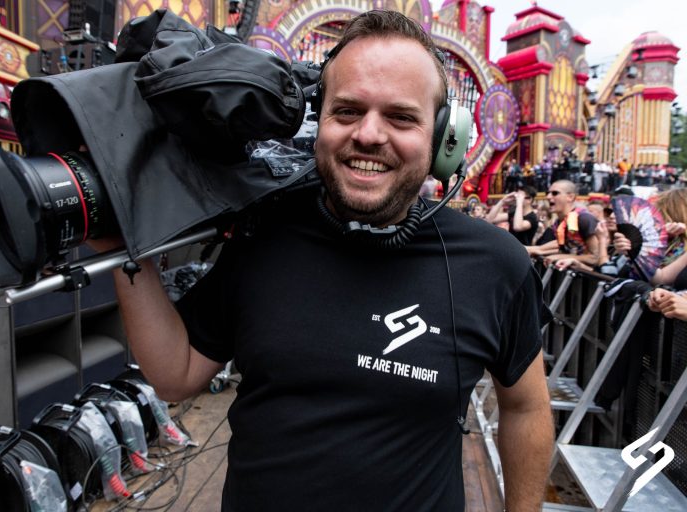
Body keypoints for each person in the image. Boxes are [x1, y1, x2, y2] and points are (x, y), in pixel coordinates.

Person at [92, 11, 552, 511]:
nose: (368, 134)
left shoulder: (495, 264)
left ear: (444, 140)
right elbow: (175, 376)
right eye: (347, 111)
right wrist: (123, 250)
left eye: (400, 117)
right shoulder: (262, 234)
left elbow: (525, 407)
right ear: (319, 122)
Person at [526, 180, 600, 267]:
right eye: (547, 193)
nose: (548, 197)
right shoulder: (559, 222)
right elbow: (562, 248)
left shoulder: (584, 219)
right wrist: (536, 250)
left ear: (570, 197)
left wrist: (560, 257)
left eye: (555, 193)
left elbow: (594, 258)